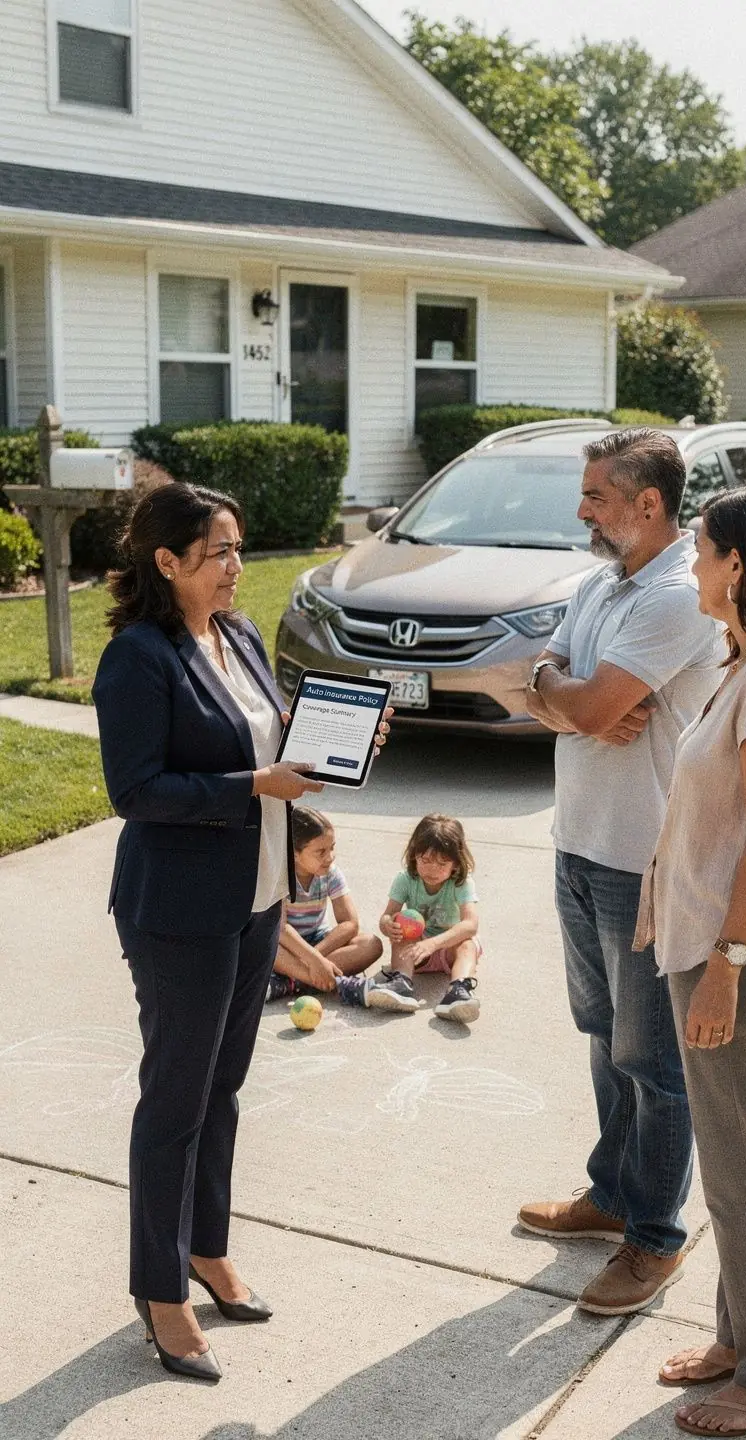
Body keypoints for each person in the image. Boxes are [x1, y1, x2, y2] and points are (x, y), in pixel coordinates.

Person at [93, 482, 389, 1382]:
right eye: (218, 551)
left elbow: (273, 736)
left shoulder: (242, 636)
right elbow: (136, 791)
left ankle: (206, 1248)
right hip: (178, 912)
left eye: (237, 548)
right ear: (167, 561)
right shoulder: (138, 658)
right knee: (175, 1103)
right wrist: (255, 786)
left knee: (221, 1091)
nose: (235, 565)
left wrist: (334, 746)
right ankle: (159, 1290)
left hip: (258, 898)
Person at [518, 428, 724, 1315]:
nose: (581, 511)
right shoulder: (600, 584)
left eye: (596, 496)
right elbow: (538, 679)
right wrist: (561, 694)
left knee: (654, 1060)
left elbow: (589, 700)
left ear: (648, 503)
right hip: (578, 842)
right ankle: (612, 1194)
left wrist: (572, 699)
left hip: (644, 862)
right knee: (604, 1036)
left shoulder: (678, 595)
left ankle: (654, 1238)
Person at [636, 487, 746, 1435]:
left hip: (735, 956)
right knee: (734, 1159)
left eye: (702, 550)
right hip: (710, 943)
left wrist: (725, 962)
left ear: (737, 565)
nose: (694, 567)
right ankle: (744, 1339)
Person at [265, 806, 382, 1002]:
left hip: (319, 942)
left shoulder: (331, 873)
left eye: (332, 848)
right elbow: (281, 930)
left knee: (371, 944)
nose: (330, 857)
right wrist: (313, 960)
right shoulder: (280, 876)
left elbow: (350, 923)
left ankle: (291, 983)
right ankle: (341, 984)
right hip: (287, 947)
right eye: (320, 852)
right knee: (267, 948)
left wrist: (316, 958)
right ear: (294, 853)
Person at [375, 813, 481, 1023]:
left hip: (449, 949)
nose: (432, 870)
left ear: (456, 864)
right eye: (425, 860)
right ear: (414, 855)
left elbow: (471, 924)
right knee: (401, 932)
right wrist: (388, 925)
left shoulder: (461, 883)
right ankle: (402, 982)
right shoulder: (405, 880)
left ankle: (458, 989)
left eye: (442, 864)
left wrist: (434, 944)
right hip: (417, 954)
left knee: (467, 944)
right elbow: (386, 916)